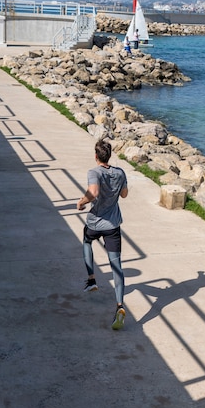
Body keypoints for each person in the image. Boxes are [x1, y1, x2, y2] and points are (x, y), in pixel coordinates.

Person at [77, 139, 128, 330]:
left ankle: (91, 279)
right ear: (110, 155)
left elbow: (94, 191)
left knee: (87, 242)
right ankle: (120, 306)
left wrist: (81, 202)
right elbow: (124, 195)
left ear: (96, 156)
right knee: (116, 265)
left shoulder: (94, 172)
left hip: (95, 222)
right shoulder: (120, 172)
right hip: (113, 224)